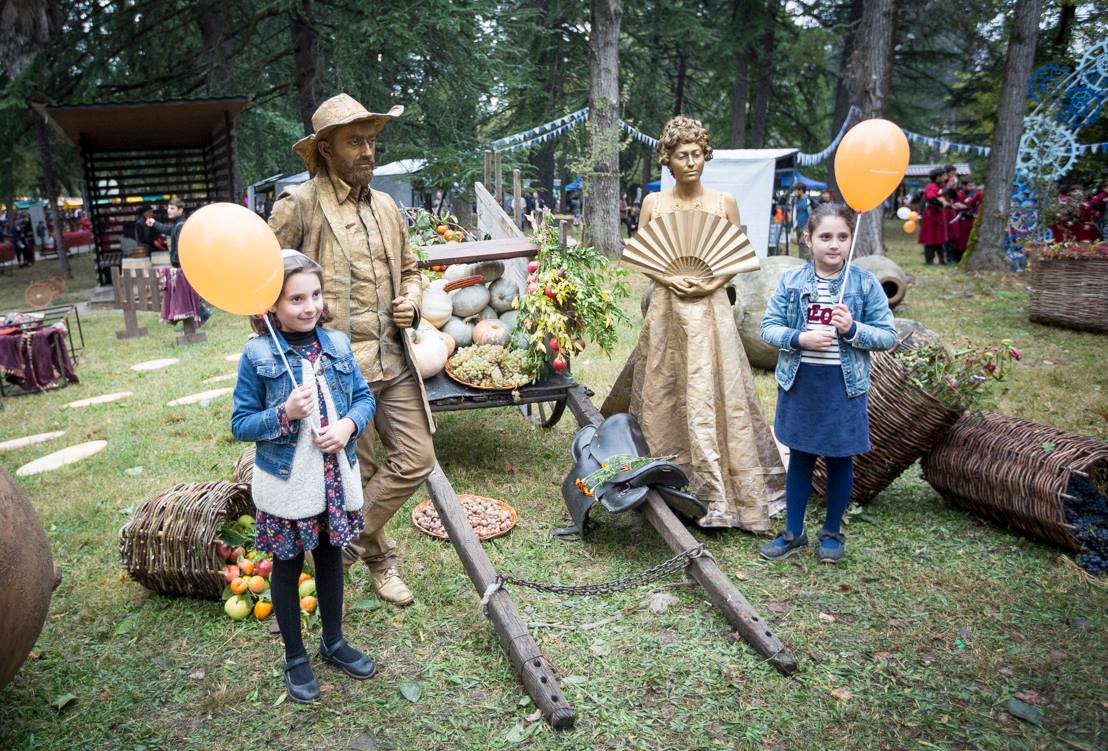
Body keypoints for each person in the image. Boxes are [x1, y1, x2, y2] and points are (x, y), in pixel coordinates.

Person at [268, 93, 435, 607]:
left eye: (371, 141)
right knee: (355, 476)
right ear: (325, 149)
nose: (367, 151)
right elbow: (264, 284)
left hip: (393, 359)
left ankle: (337, 551)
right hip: (335, 372)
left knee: (416, 459)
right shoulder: (299, 205)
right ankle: (382, 564)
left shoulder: (385, 206)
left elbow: (412, 269)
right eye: (354, 142)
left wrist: (411, 300)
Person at [231, 250, 378, 703]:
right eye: (296, 299)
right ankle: (295, 656)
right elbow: (241, 423)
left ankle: (333, 641)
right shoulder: (258, 355)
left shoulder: (336, 344)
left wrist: (348, 426)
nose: (310, 306)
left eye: (315, 295)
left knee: (331, 557)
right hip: (288, 483)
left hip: (333, 478)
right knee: (288, 562)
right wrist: (285, 413)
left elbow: (364, 398)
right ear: (271, 305)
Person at [630, 115, 786, 531]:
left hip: (711, 309)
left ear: (706, 156)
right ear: (667, 160)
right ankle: (664, 483)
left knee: (710, 389)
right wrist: (668, 278)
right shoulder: (654, 204)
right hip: (666, 307)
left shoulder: (723, 202)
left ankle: (718, 491)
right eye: (682, 155)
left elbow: (736, 256)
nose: (691, 162)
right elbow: (644, 255)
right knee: (664, 389)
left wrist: (712, 283)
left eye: (697, 154)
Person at [758, 202, 897, 562]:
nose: (834, 244)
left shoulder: (863, 284)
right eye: (825, 237)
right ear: (808, 239)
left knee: (839, 460)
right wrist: (799, 338)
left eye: (842, 237)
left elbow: (887, 335)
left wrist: (852, 329)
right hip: (802, 384)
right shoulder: (791, 281)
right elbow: (768, 328)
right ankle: (793, 533)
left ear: (851, 239)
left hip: (843, 387)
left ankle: (832, 533)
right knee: (800, 458)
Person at [918, 167, 947, 265]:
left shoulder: (940, 186)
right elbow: (931, 198)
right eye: (943, 175)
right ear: (938, 177)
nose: (945, 177)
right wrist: (941, 204)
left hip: (937, 217)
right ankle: (929, 260)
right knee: (930, 238)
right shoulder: (931, 186)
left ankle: (942, 260)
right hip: (931, 217)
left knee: (939, 238)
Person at [147, 197, 187, 266]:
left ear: (180, 210)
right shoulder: (177, 223)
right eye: (168, 208)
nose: (168, 210)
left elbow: (180, 248)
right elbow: (167, 229)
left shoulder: (180, 226)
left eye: (172, 208)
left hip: (179, 265)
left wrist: (175, 262)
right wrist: (154, 223)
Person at [790, 184, 811, 255]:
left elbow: (810, 214)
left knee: (803, 244)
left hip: (805, 227)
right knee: (800, 245)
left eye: (795, 190)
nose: (794, 192)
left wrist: (808, 227)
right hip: (797, 226)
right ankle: (801, 259)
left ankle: (806, 260)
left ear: (801, 191)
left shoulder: (807, 200)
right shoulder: (795, 200)